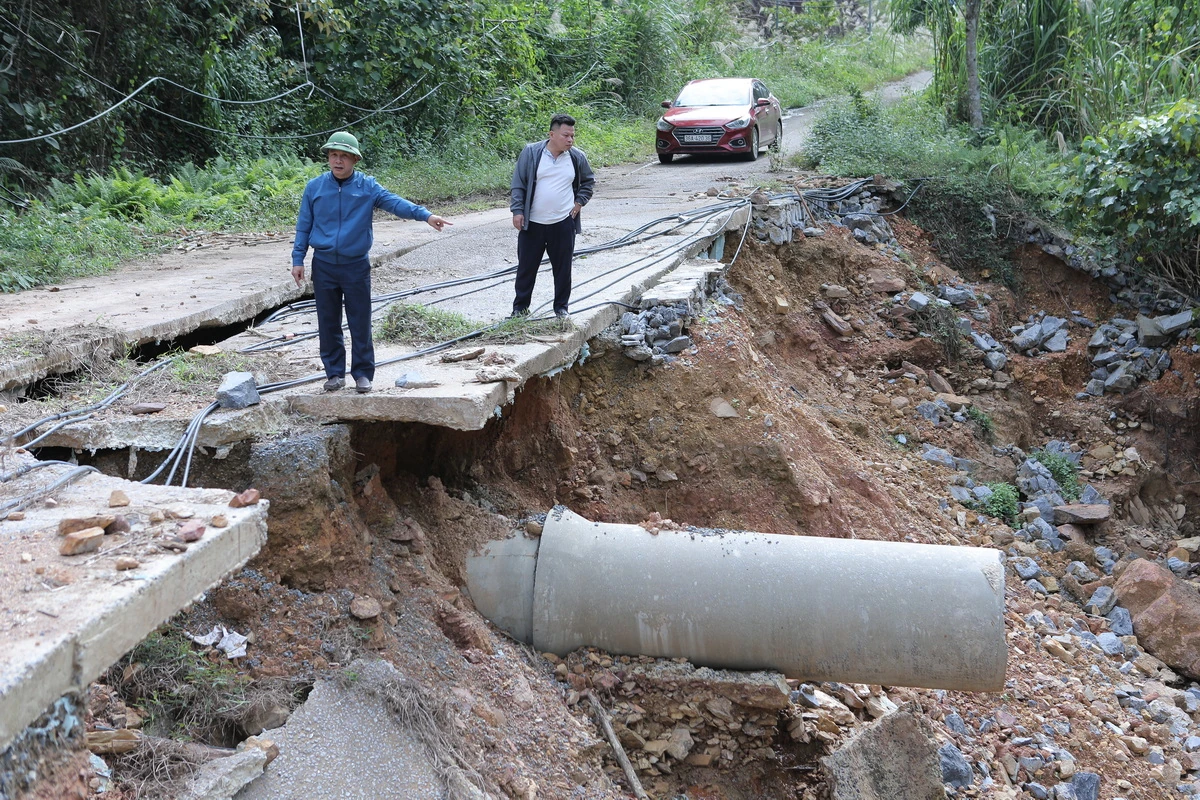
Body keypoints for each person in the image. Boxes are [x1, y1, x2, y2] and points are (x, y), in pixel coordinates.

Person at [292, 131, 451, 393]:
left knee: (360, 320)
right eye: (334, 155)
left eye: (344, 156)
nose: (338, 161)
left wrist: (426, 215)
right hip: (324, 265)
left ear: (355, 159)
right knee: (327, 321)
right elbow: (303, 226)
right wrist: (298, 259)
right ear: (328, 158)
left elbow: (395, 203)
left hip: (355, 265)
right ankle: (334, 373)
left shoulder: (367, 187)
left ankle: (363, 374)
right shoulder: (315, 188)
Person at [510, 113, 595, 318]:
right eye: (565, 135)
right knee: (526, 269)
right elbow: (518, 184)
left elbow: (588, 182)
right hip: (533, 224)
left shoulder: (576, 157)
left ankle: (561, 309)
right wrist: (517, 211)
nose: (570, 140)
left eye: (572, 136)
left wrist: (579, 203)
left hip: (563, 223)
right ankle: (520, 310)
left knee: (563, 270)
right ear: (552, 134)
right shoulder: (532, 153)